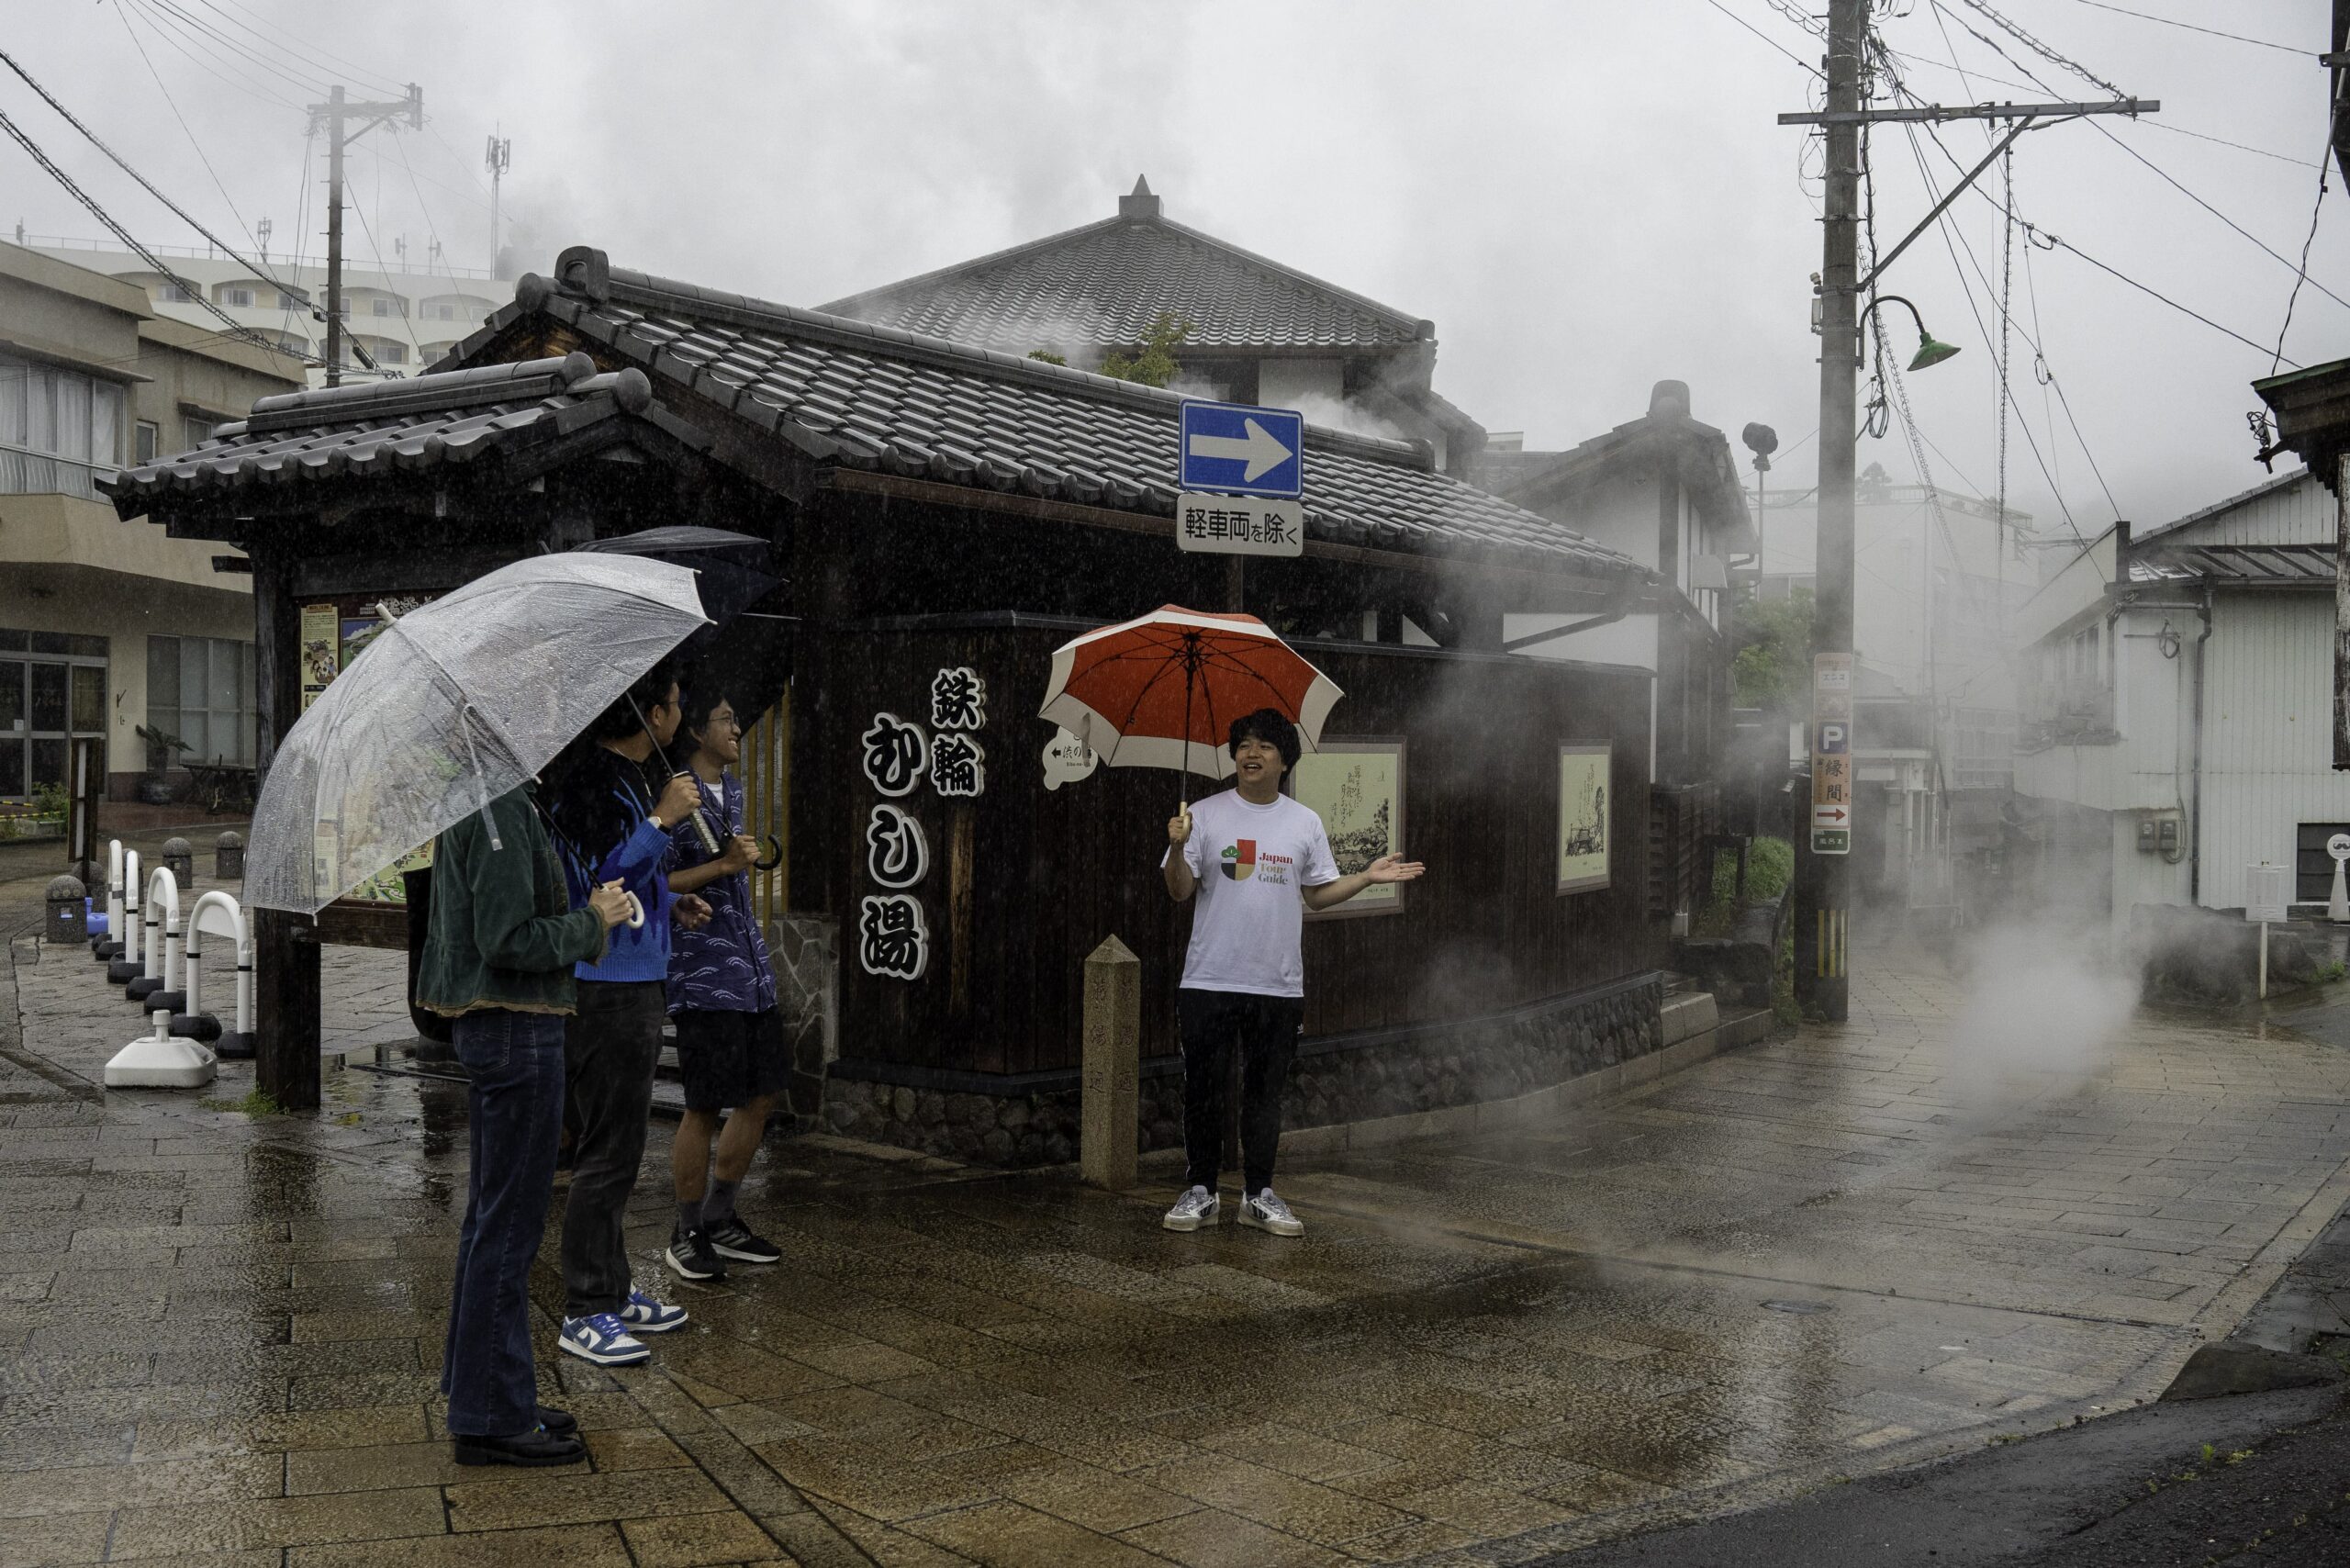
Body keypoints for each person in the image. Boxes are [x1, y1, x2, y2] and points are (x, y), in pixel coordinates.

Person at [416, 780, 632, 1466]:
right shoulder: (498, 806)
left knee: (492, 1222)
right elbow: (507, 940)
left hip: (503, 1032)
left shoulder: (483, 798)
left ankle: (488, 1392)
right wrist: (593, 921)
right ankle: (487, 1415)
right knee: (507, 1227)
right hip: (517, 1031)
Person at [1159, 708, 1425, 1237]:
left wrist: (1367, 877)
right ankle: (1201, 1190)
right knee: (1203, 1088)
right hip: (1209, 978)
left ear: (1284, 760)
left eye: (1263, 747)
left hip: (1277, 983)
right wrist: (1175, 844)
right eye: (1243, 745)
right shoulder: (1203, 816)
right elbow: (1179, 890)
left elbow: (1317, 897)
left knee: (1264, 1092)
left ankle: (1258, 1194)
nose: (1250, 755)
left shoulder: (1304, 822)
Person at [545, 660, 711, 1367]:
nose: (683, 712)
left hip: (637, 975)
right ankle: (585, 1307)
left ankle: (611, 1290)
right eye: (677, 701)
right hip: (604, 985)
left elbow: (631, 883)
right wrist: (659, 822)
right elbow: (594, 875)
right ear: (652, 713)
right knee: (607, 1151)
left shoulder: (632, 779)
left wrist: (671, 903)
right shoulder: (586, 778)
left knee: (620, 1145)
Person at [660, 691, 789, 1282]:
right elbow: (652, 881)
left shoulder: (732, 794)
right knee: (703, 1103)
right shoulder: (674, 793)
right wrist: (721, 868)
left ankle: (721, 1216)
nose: (737, 728)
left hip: (751, 971)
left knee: (761, 1094)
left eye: (737, 718)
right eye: (726, 720)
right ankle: (685, 1230)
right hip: (703, 972)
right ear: (695, 730)